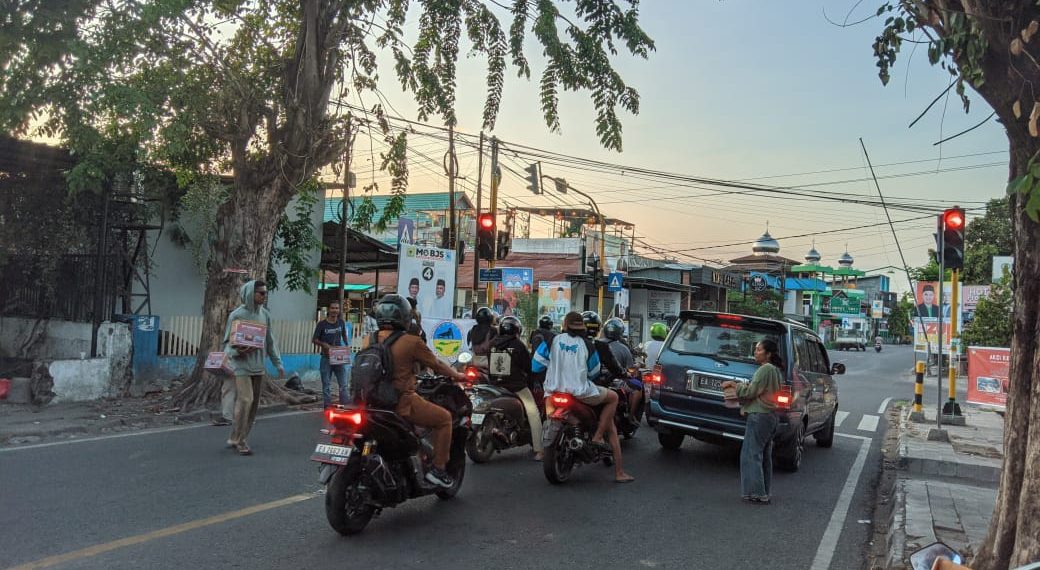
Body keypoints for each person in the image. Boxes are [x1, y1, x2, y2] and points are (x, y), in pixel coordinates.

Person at [369, 294, 468, 487]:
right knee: (444, 419)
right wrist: (458, 376)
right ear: (405, 317)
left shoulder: (369, 339)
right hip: (400, 402)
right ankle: (438, 469)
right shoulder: (412, 342)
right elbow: (437, 364)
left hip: (370, 402)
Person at [533, 311, 634, 483]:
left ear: (565, 325)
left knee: (547, 417)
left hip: (553, 392)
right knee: (613, 398)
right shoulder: (588, 345)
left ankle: (545, 449)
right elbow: (594, 373)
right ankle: (600, 439)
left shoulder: (551, 341)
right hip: (581, 393)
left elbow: (536, 366)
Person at [222, 279, 284, 456]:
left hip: (258, 366)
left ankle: (236, 436)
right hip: (241, 366)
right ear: (251, 294)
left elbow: (270, 341)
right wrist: (237, 351)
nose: (264, 296)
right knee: (245, 400)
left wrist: (278, 363)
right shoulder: (236, 315)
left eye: (266, 293)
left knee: (253, 405)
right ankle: (241, 441)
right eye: (261, 293)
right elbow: (227, 343)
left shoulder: (265, 315)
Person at [722, 339, 782, 505]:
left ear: (768, 354)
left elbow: (750, 392)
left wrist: (736, 385)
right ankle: (764, 492)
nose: (755, 352)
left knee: (751, 454)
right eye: (755, 349)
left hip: (759, 415)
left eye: (759, 349)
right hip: (770, 416)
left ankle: (755, 493)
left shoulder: (765, 369)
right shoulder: (775, 370)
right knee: (763, 456)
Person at [489, 316, 543, 460]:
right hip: (516, 387)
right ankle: (539, 449)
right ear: (517, 330)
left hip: (495, 385)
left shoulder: (492, 344)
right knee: (533, 413)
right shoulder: (518, 345)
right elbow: (528, 367)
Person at [312, 301, 353, 408]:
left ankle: (345, 406)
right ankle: (327, 406)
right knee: (326, 384)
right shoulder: (322, 324)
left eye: (337, 308)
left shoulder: (341, 323)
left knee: (343, 384)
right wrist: (324, 344)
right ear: (329, 310)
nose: (335, 310)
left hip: (339, 357)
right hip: (326, 357)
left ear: (339, 310)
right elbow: (314, 339)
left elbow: (344, 336)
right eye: (333, 308)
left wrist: (347, 346)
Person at [603, 317, 641, 426]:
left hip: (598, 380)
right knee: (638, 387)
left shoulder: (596, 344)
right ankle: (630, 416)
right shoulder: (623, 348)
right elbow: (630, 369)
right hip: (616, 381)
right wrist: (637, 366)